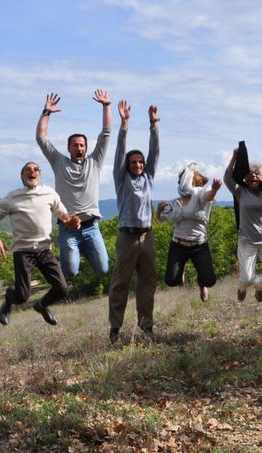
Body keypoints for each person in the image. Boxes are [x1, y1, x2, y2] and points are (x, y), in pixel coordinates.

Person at [36, 90, 112, 278]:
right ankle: (69, 254)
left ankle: (80, 251)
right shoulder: (59, 162)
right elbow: (41, 139)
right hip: (68, 228)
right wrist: (46, 113)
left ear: (86, 148)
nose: (79, 148)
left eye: (82, 145)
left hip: (91, 228)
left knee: (103, 269)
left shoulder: (94, 162)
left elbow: (107, 132)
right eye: (75, 145)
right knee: (70, 272)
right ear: (69, 148)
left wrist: (106, 105)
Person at [0, 162, 81, 327]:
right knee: (21, 296)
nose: (32, 172)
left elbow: (65, 217)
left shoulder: (49, 193)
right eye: (28, 170)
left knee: (62, 288)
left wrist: (73, 222)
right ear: (22, 176)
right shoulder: (13, 196)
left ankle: (41, 306)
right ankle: (9, 298)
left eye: (35, 170)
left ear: (39, 175)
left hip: (44, 249)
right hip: (23, 251)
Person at [107, 101, 160, 344]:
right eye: (133, 162)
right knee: (120, 284)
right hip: (127, 237)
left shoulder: (148, 177)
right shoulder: (121, 179)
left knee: (148, 283)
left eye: (140, 162)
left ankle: (146, 326)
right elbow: (119, 151)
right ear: (127, 166)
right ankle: (115, 329)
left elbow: (155, 152)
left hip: (147, 237)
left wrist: (153, 125)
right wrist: (124, 124)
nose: (138, 164)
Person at [225, 152, 262, 303]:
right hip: (247, 241)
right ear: (246, 178)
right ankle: (242, 288)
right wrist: (234, 157)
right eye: (250, 174)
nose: (253, 176)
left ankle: (259, 287)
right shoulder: (240, 192)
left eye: (257, 174)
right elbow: (227, 178)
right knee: (246, 280)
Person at [158, 162, 221, 302]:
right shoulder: (174, 203)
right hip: (178, 245)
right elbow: (160, 219)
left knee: (209, 280)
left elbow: (208, 196)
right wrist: (159, 209)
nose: (182, 182)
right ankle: (182, 267)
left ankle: (202, 284)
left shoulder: (199, 195)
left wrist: (215, 190)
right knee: (171, 281)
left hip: (199, 245)